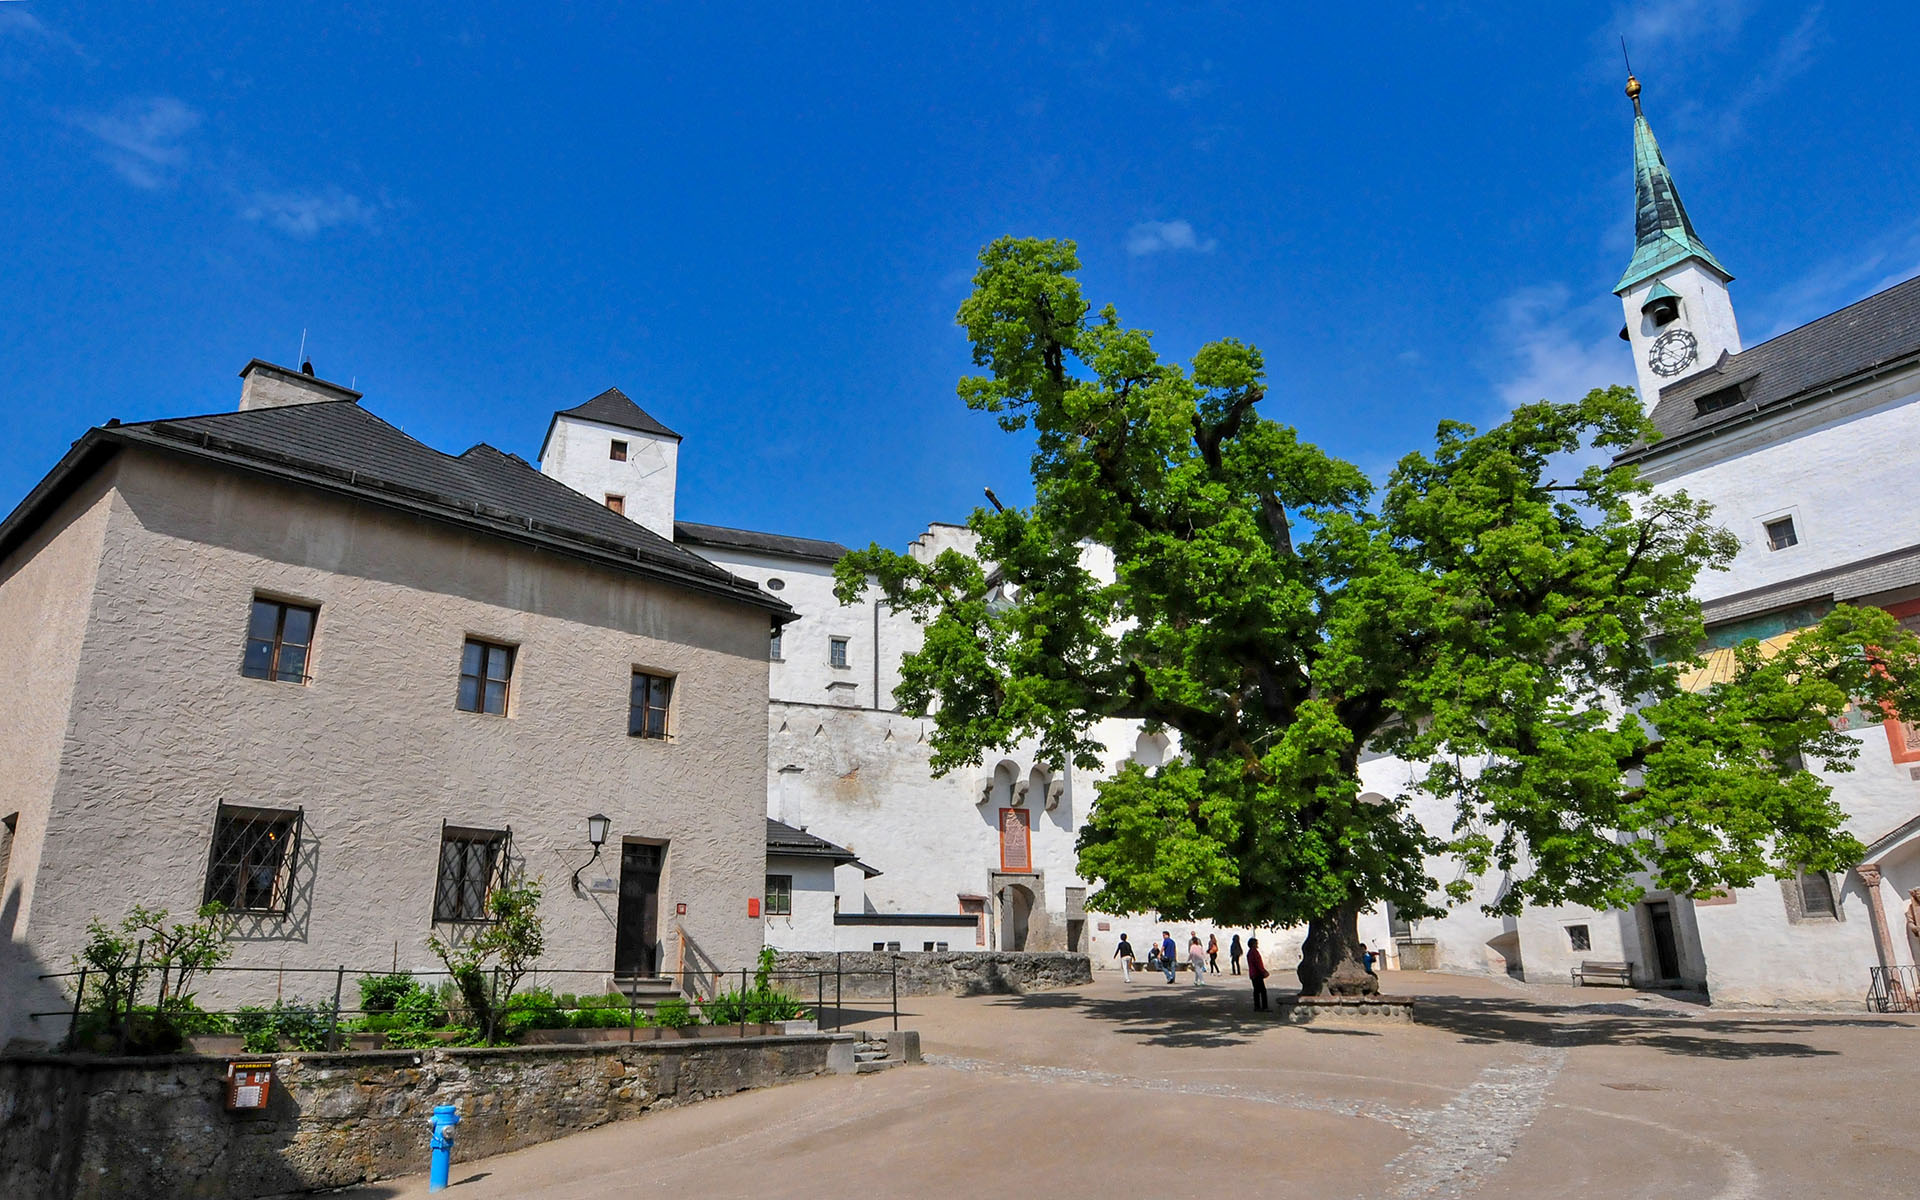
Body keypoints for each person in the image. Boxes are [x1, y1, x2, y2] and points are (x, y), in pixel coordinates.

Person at [1246, 936, 1269, 1011]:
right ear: (1253, 944)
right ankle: (1264, 1007)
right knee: (1262, 991)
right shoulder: (1254, 952)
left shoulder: (1250, 952)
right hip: (1257, 974)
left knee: (1256, 991)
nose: (1257, 945)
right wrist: (1263, 971)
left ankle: (1257, 1006)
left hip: (1253, 973)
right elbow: (1257, 963)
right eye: (1256, 943)